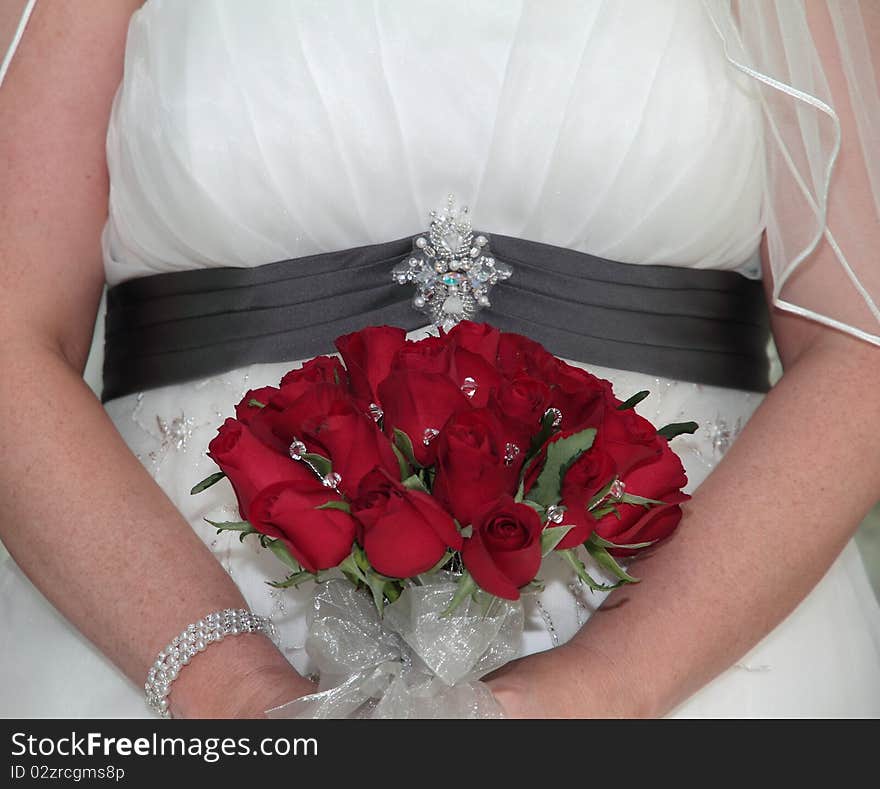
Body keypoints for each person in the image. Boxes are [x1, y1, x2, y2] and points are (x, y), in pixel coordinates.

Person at [0, 0, 878, 719]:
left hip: (697, 658)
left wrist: (610, 685)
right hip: (150, 644)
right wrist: (234, 694)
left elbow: (860, 344)